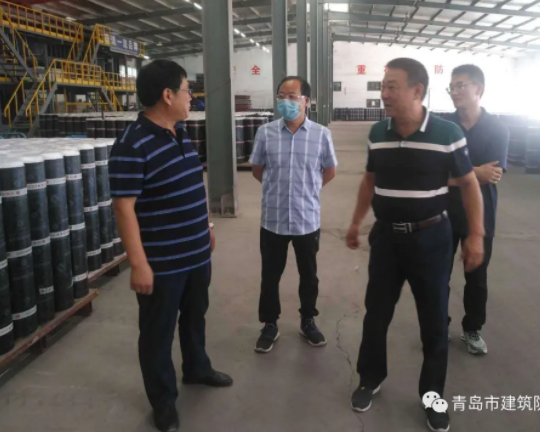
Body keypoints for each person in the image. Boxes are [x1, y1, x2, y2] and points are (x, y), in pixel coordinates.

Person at [345, 58, 485, 432]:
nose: (384, 94)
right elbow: (370, 179)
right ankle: (370, 378)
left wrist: (475, 235)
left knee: (434, 322)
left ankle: (432, 396)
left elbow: (469, 184)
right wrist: (356, 221)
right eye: (382, 86)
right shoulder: (378, 132)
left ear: (417, 91)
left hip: (431, 240)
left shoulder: (447, 133)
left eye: (392, 86)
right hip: (386, 240)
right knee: (376, 314)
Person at [109, 59, 232, 432]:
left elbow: (192, 186)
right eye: (187, 90)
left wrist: (207, 225)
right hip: (162, 262)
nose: (191, 97)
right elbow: (124, 208)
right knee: (158, 333)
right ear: (167, 95)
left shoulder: (180, 133)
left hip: (196, 253)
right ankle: (163, 401)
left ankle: (196, 368)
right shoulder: (132, 144)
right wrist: (138, 264)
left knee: (195, 317)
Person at [249, 76, 337, 353]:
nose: (285, 101)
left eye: (291, 96)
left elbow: (330, 171)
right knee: (270, 275)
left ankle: (308, 320)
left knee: (308, 275)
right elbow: (257, 169)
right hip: (272, 219)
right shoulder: (265, 133)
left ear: (305, 101)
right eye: (281, 96)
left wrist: (307, 191)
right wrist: (278, 189)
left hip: (306, 219)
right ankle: (270, 324)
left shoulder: (321, 134)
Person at [446, 64, 510, 356]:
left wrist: (457, 174)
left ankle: (472, 329)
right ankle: (438, 324)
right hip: (443, 214)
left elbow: (492, 175)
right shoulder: (443, 127)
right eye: (452, 87)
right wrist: (475, 172)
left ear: (478, 88)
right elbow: (433, 171)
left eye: (461, 85)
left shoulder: (497, 129)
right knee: (437, 275)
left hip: (480, 217)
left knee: (476, 277)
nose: (455, 91)